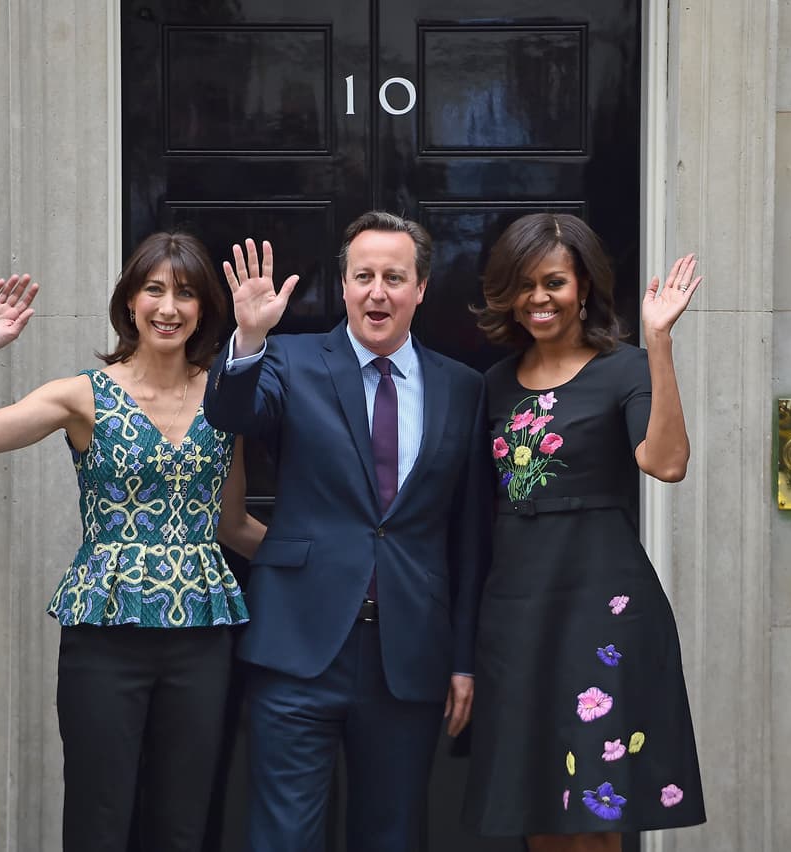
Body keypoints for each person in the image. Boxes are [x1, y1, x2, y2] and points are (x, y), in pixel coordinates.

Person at [0, 231, 266, 852]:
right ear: (129, 302)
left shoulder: (228, 398)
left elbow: (233, 524)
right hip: (105, 635)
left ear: (203, 310)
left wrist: (323, 565)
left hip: (200, 638)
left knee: (182, 821)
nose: (168, 308)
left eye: (185, 294)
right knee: (100, 815)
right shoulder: (83, 394)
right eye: (154, 290)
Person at [202, 211, 492, 852]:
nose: (377, 292)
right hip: (298, 648)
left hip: (409, 654)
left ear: (421, 288)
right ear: (343, 286)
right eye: (364, 276)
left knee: (392, 835)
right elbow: (231, 410)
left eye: (395, 277)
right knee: (283, 835)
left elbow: (470, 539)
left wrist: (465, 659)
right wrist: (248, 340)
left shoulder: (465, 389)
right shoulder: (290, 359)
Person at [462, 214, 707, 851]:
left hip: (603, 607)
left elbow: (667, 462)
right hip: (516, 613)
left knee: (599, 807)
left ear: (584, 288)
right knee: (536, 803)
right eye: (524, 285)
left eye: (554, 283)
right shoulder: (490, 387)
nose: (538, 299)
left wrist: (659, 342)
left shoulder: (624, 369)